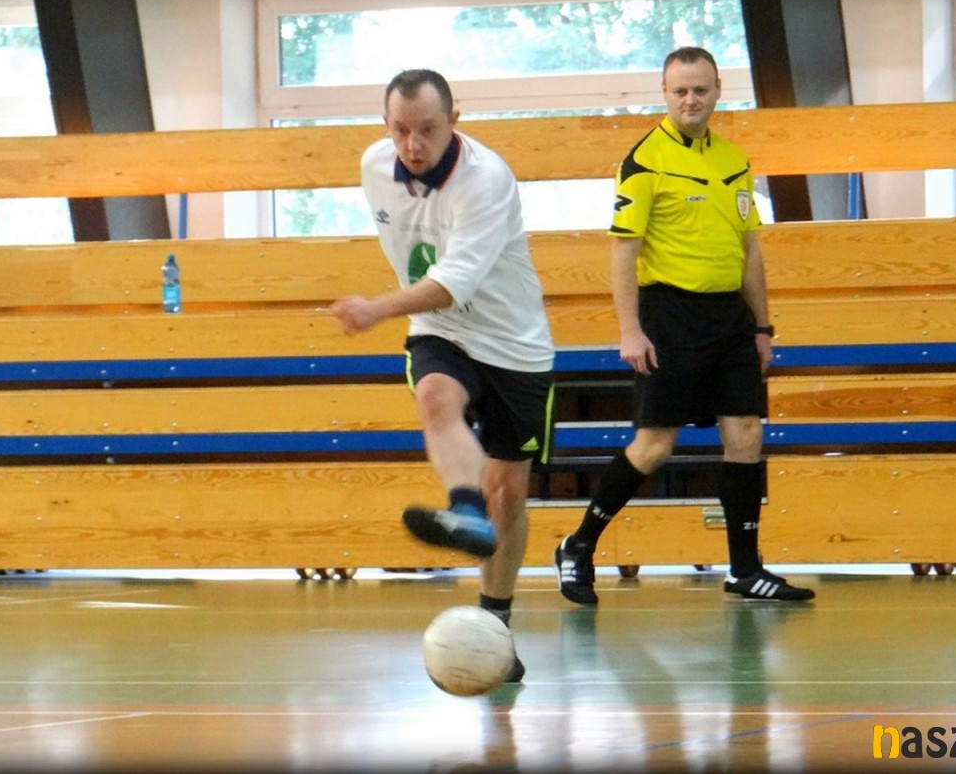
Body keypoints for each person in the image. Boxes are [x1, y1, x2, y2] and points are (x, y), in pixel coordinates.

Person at [551, 47, 815, 605]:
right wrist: (629, 329)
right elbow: (624, 251)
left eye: (700, 89)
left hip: (730, 320)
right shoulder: (644, 161)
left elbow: (750, 251)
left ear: (717, 91)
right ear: (665, 94)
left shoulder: (735, 161)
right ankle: (578, 545)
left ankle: (745, 569)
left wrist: (762, 327)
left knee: (746, 434)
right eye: (680, 91)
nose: (690, 100)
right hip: (668, 317)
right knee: (653, 446)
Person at [331, 69, 556, 681]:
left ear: (454, 120)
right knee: (434, 395)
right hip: (440, 331)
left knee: (509, 491)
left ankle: (496, 624)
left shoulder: (487, 179)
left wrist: (376, 308)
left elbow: (454, 283)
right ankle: (464, 508)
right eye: (400, 130)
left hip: (514, 343)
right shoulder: (374, 166)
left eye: (427, 129)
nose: (412, 145)